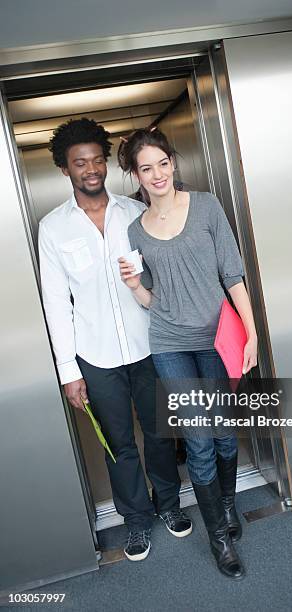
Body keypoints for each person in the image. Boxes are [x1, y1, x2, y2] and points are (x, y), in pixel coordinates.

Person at [38, 118, 192, 563]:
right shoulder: (54, 228)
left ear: (106, 163)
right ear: (65, 169)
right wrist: (69, 372)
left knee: (161, 433)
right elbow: (56, 305)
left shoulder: (135, 213)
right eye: (79, 162)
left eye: (96, 160)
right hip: (96, 357)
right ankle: (136, 521)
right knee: (118, 445)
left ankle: (169, 507)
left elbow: (163, 278)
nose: (90, 169)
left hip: (150, 347)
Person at [118, 128, 258, 580]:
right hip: (171, 344)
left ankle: (229, 505)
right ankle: (219, 537)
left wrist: (252, 334)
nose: (157, 174)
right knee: (198, 442)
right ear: (135, 175)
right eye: (146, 168)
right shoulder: (135, 231)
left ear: (172, 163)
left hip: (219, 340)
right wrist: (136, 286)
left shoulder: (207, 206)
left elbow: (233, 274)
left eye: (162, 163)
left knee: (222, 434)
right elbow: (152, 301)